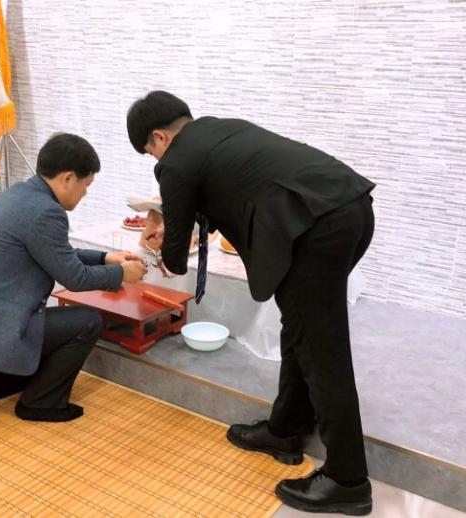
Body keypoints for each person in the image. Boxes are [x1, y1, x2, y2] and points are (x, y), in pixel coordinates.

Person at [127, 91, 376, 515]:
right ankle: (286, 428)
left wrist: (157, 244)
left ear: (160, 137)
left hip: (315, 228)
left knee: (323, 351)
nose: (157, 162)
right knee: (301, 330)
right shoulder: (220, 130)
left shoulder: (177, 160)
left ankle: (347, 479)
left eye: (151, 153)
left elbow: (175, 256)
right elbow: (226, 194)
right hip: (348, 209)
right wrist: (174, 222)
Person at [0, 133, 148, 423]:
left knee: (41, 359)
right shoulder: (46, 212)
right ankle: (41, 402)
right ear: (67, 178)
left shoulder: (19, 194)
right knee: (88, 322)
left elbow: (55, 253)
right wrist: (122, 274)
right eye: (86, 185)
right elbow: (75, 278)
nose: (85, 194)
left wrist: (105, 258)